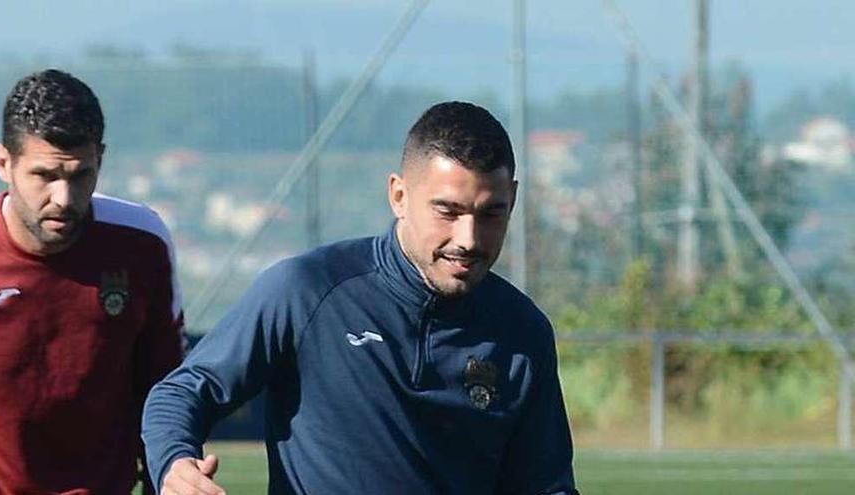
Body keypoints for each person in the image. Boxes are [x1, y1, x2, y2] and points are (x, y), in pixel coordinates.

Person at [142, 101, 579, 494]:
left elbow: (544, 484)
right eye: (447, 212)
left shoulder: (523, 331)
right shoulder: (310, 290)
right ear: (399, 196)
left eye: (490, 213)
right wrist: (175, 466)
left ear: (513, 200)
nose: (468, 238)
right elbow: (181, 393)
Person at [0, 69, 184, 494]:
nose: (64, 199)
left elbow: (166, 388)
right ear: (3, 163)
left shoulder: (141, 242)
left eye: (80, 175)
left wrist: (175, 470)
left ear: (100, 160)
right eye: (45, 176)